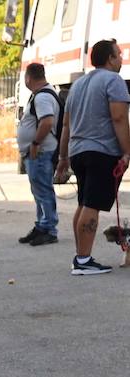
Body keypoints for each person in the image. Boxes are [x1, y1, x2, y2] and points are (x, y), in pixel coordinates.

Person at [56, 39, 130, 275]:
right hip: (101, 151)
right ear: (110, 58)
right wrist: (127, 151)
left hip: (79, 152)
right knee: (92, 205)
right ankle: (83, 261)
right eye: (118, 55)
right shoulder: (113, 81)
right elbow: (119, 118)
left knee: (84, 203)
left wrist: (63, 157)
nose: (121, 59)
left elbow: (66, 125)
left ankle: (81, 257)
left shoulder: (77, 85)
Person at [20, 63, 62, 246]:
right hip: (39, 152)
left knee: (43, 190)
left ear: (28, 78)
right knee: (39, 190)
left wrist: (35, 143)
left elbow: (47, 122)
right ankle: (41, 226)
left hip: (41, 152)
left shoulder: (43, 97)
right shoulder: (41, 94)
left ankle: (49, 229)